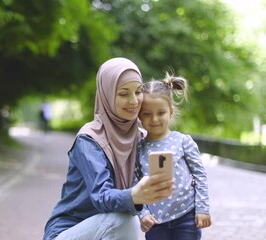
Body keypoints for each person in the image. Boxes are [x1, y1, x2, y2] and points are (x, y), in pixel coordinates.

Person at [43, 57, 175, 240]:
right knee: (124, 220)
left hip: (109, 234)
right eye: (123, 94)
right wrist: (135, 195)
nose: (133, 101)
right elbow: (102, 197)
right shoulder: (89, 140)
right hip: (68, 232)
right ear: (106, 95)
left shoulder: (141, 138)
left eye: (138, 92)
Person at [137, 72, 211, 239]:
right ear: (139, 116)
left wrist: (202, 209)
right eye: (147, 114)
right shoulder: (138, 148)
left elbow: (200, 176)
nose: (154, 119)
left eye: (161, 113)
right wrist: (143, 214)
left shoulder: (183, 142)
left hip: (186, 217)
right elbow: (134, 184)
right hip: (155, 222)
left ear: (170, 112)